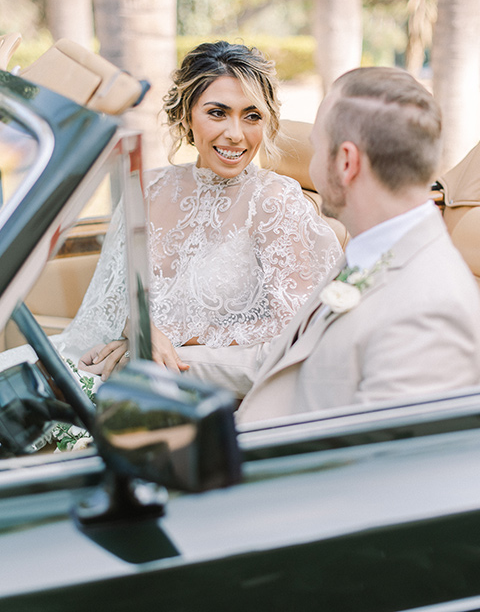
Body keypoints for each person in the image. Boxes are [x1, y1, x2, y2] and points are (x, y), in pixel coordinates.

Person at [74, 41, 342, 394]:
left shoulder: (275, 201)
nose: (235, 134)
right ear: (186, 115)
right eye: (218, 113)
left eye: (252, 116)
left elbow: (299, 328)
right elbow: (106, 307)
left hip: (188, 385)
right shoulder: (147, 188)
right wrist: (138, 330)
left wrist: (167, 341)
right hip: (109, 364)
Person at [230, 66, 480, 424]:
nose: (312, 166)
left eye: (317, 149)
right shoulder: (372, 248)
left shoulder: (430, 311)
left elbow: (370, 468)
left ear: (346, 163)